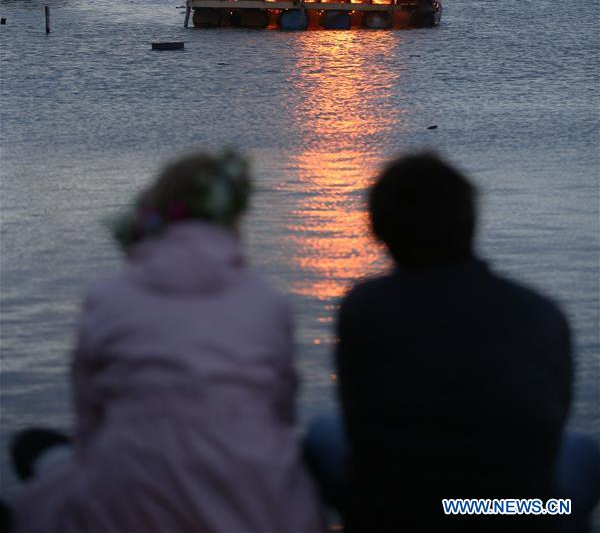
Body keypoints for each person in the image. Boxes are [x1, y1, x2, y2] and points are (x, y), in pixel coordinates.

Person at [11, 152, 324, 533]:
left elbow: (91, 418)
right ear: (232, 216)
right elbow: (281, 412)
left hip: (129, 500)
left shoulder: (108, 297)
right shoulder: (265, 300)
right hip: (252, 501)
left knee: (32, 449)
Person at [306, 152, 599, 531]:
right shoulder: (541, 313)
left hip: (395, 510)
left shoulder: (364, 307)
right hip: (516, 510)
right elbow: (551, 417)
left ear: (378, 229)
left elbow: (358, 412)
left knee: (322, 431)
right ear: (471, 221)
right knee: (582, 452)